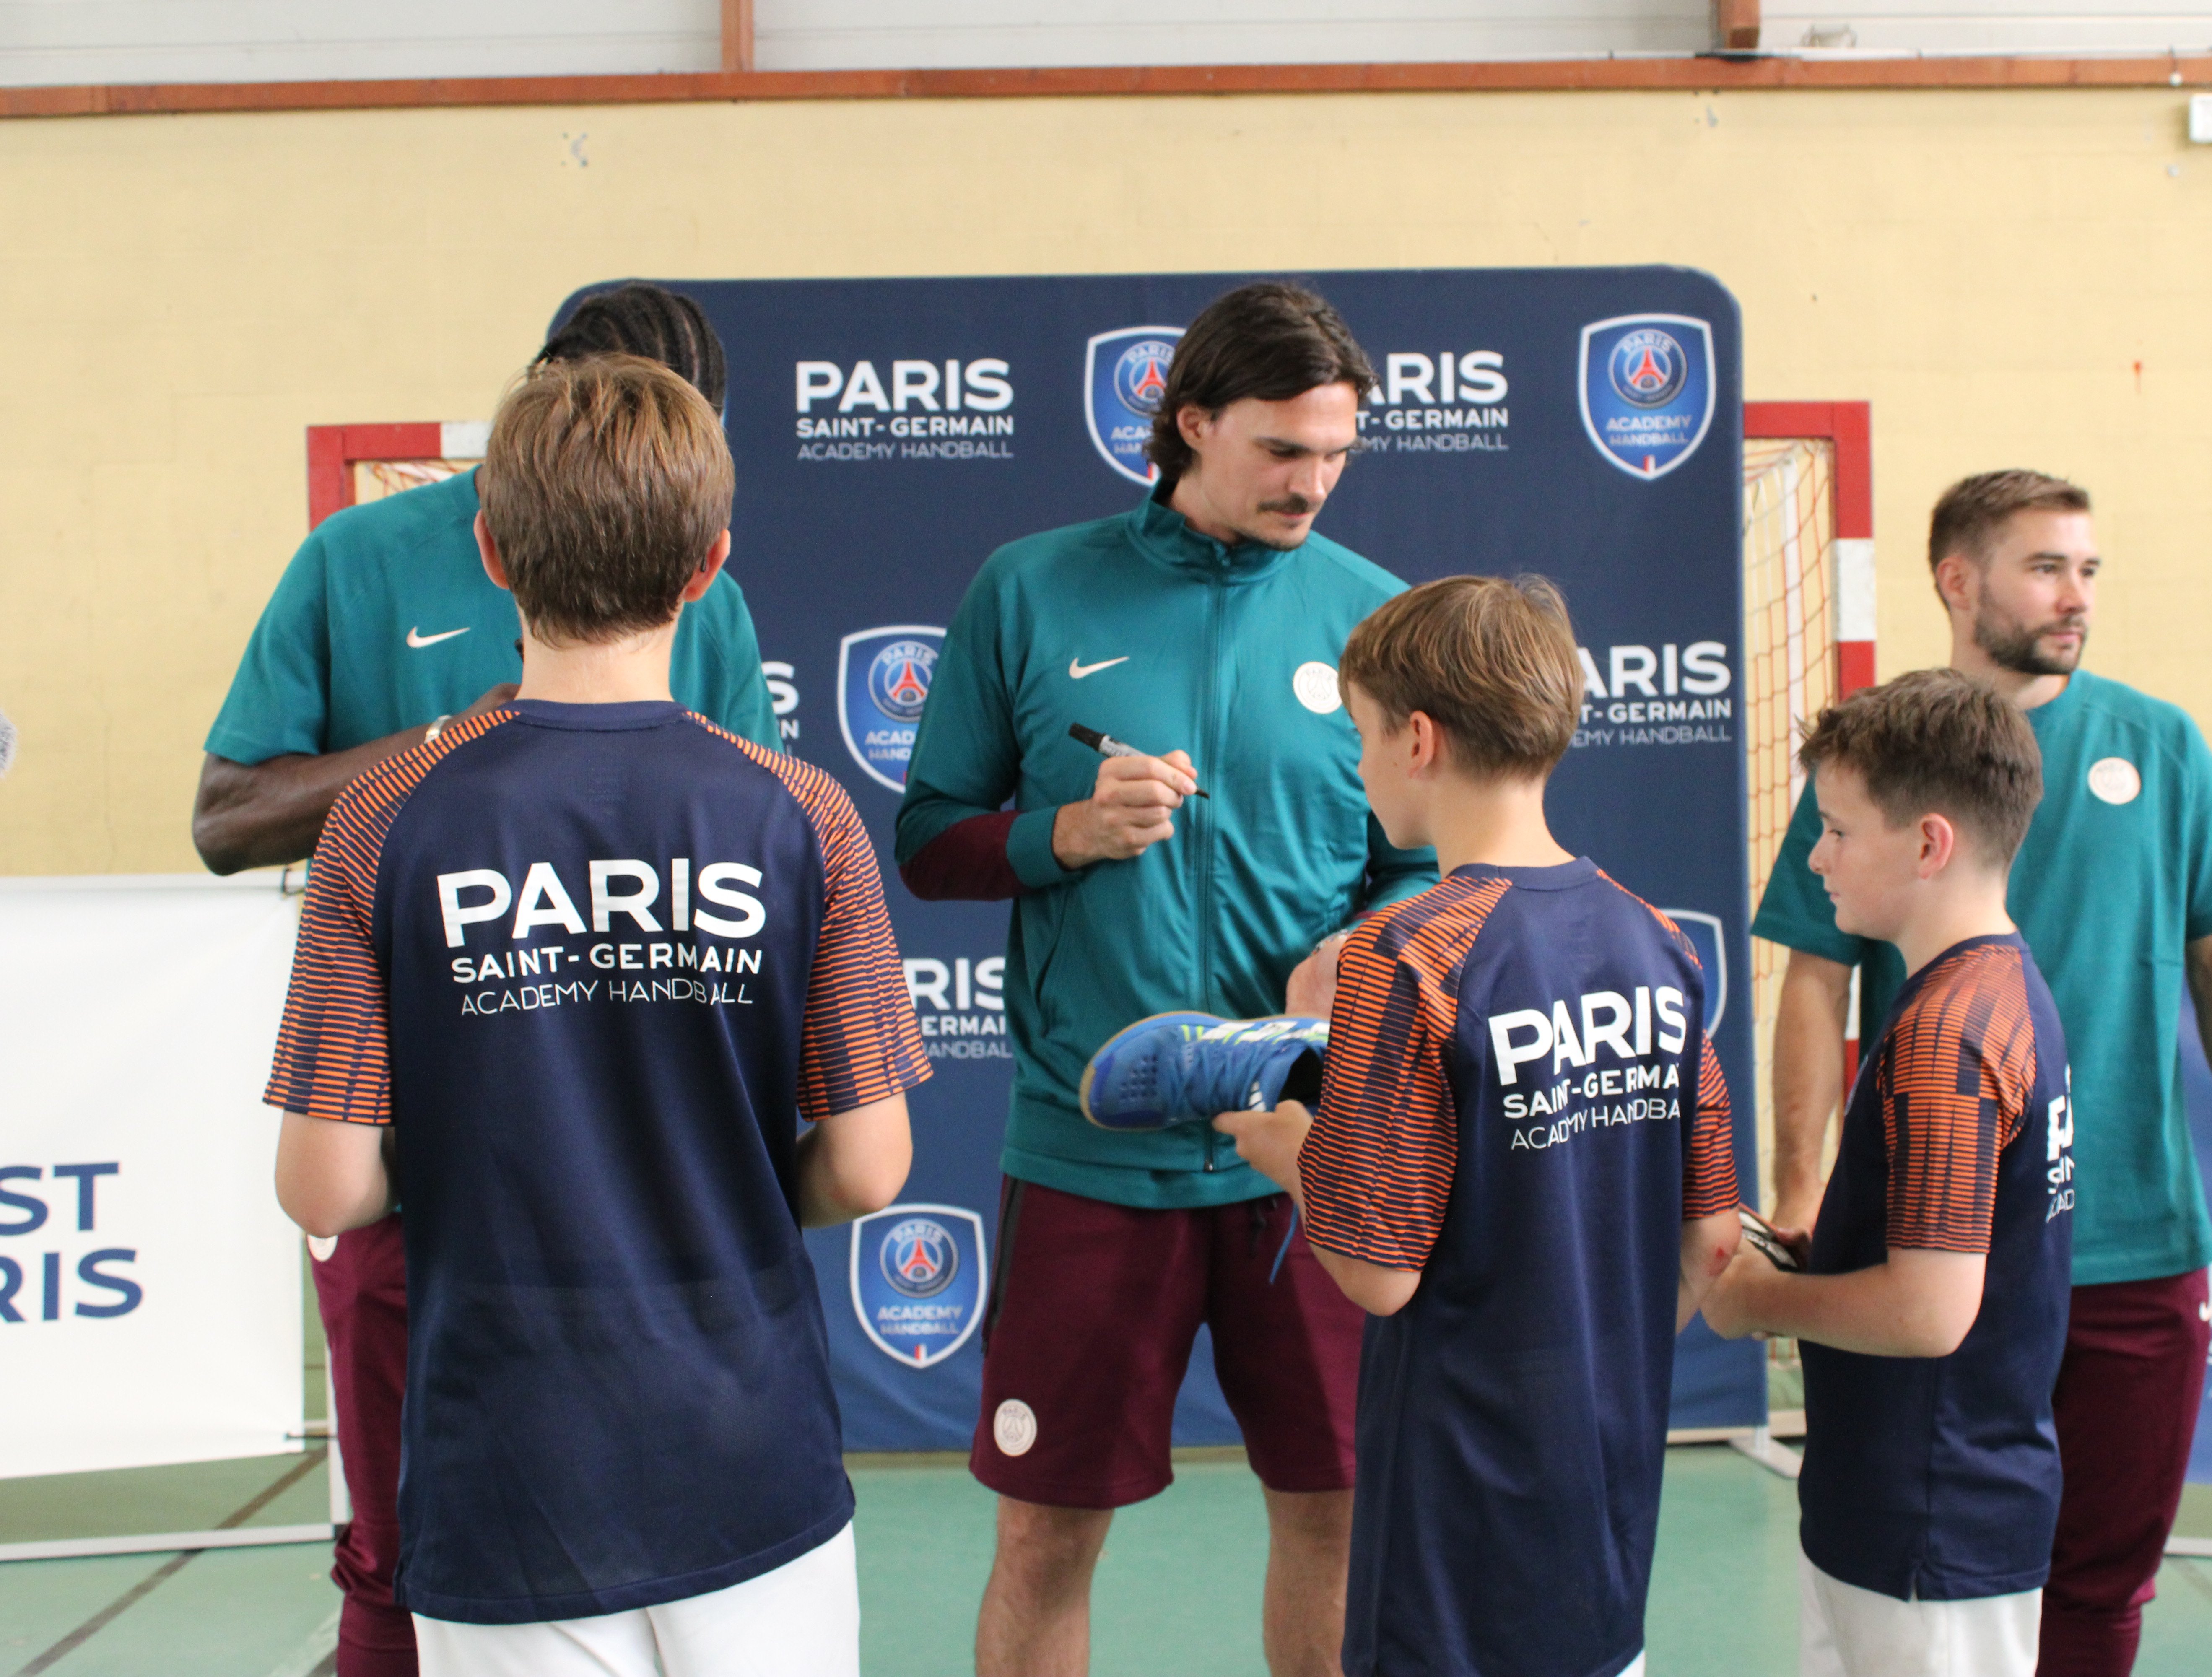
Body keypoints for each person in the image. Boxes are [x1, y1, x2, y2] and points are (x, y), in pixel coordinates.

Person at [266, 352, 928, 1674]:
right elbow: (870, 1165)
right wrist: (722, 1182)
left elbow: (326, 1190)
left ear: (493, 553)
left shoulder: (382, 820)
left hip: (505, 1456)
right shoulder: (805, 815)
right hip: (752, 1451)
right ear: (710, 567)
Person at [193, 283, 784, 1677]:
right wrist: (452, 752)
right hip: (420, 1169)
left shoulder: (715, 599)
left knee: (687, 1562)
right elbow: (228, 817)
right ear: (535, 401)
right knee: (405, 1550)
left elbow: (771, 842)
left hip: (644, 1168)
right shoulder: (357, 561)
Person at [895, 280, 1438, 1677]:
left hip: (1308, 1157)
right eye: (1280, 451)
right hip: (1090, 1157)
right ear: (1191, 421)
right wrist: (1062, 831)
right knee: (1046, 1540)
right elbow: (928, 841)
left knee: (1337, 1511)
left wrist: (1370, 941)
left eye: (1334, 454)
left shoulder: (1376, 618)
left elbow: (1433, 862)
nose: (1311, 484)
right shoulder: (1030, 586)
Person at [1753, 471, 2212, 1677]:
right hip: (1945, 1243)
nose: (2076, 597)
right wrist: (1801, 1191)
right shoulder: (1878, 756)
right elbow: (1812, 980)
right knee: (1919, 1571)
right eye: (2047, 568)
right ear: (1958, 581)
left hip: (2132, 1238)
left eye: (2088, 571)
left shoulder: (2158, 743)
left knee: (2100, 1580)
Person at [1206, 574, 1739, 1677]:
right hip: (1606, 1507)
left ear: (1418, 739)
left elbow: (1374, 1267)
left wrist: (1282, 1144)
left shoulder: (1410, 953)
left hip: (1453, 1532)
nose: (1356, 767)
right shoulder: (1658, 941)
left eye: (1359, 736)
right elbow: (1713, 1233)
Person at [1706, 670, 2070, 1677]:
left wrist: (1757, 1300)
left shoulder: (1947, 1035)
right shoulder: (1993, 989)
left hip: (1931, 1515)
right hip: (1907, 1497)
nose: (1816, 856)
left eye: (1836, 829)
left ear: (1928, 842)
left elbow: (1927, 1311)